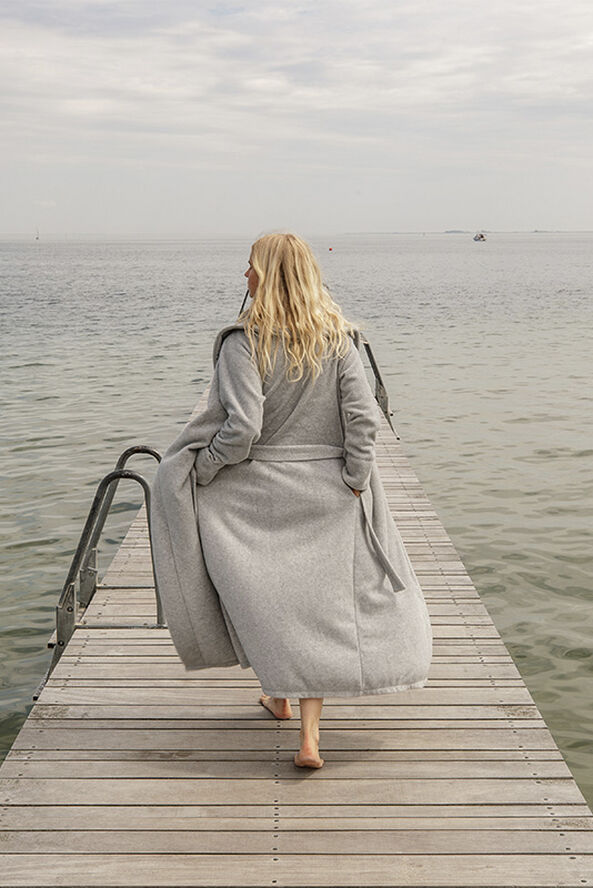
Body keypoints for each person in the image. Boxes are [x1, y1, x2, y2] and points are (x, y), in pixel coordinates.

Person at [150, 232, 432, 771]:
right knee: (318, 607)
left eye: (251, 267)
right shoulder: (338, 339)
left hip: (256, 493)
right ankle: (307, 734)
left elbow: (242, 429)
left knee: (269, 599)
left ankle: (277, 694)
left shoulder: (242, 342)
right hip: (329, 489)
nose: (245, 276)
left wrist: (203, 467)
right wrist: (353, 477)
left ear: (270, 274)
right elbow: (364, 420)